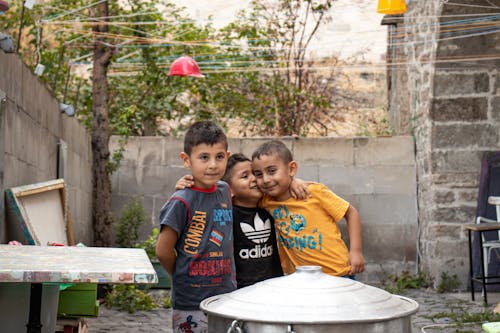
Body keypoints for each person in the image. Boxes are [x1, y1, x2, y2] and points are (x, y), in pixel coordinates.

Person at [176, 153, 310, 288]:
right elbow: (200, 203)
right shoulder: (225, 214)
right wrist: (187, 186)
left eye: (255, 174)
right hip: (240, 292)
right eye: (245, 176)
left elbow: (283, 186)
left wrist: (293, 181)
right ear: (229, 190)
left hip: (273, 288)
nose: (254, 179)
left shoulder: (270, 204)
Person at [155, 120, 235, 333]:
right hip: (191, 301)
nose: (212, 165)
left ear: (227, 157)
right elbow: (163, 251)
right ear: (186, 160)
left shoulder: (225, 190)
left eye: (219, 157)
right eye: (203, 157)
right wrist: (183, 272)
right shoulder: (181, 201)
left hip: (225, 297)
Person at [251, 139, 365, 278]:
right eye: (258, 174)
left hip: (336, 274)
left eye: (272, 171)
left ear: (291, 169)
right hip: (300, 280)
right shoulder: (266, 201)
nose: (266, 179)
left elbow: (351, 213)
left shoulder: (313, 192)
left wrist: (356, 252)